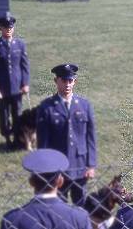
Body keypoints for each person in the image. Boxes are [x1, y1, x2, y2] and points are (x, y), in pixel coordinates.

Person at [36, 63, 97, 207]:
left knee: (81, 205)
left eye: (70, 81)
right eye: (64, 80)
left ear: (75, 81)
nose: (67, 84)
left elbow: (90, 137)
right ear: (56, 81)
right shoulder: (46, 107)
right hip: (57, 167)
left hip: (80, 165)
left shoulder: (84, 105)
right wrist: (46, 168)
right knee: (58, 205)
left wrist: (91, 165)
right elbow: (43, 142)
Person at [0, 14, 30, 149]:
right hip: (2, 88)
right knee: (4, 116)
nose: (9, 30)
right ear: (0, 29)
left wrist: (25, 84)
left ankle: (18, 140)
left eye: (11, 27)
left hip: (17, 87)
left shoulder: (20, 44)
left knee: (17, 115)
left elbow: (25, 66)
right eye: (6, 28)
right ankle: (7, 140)